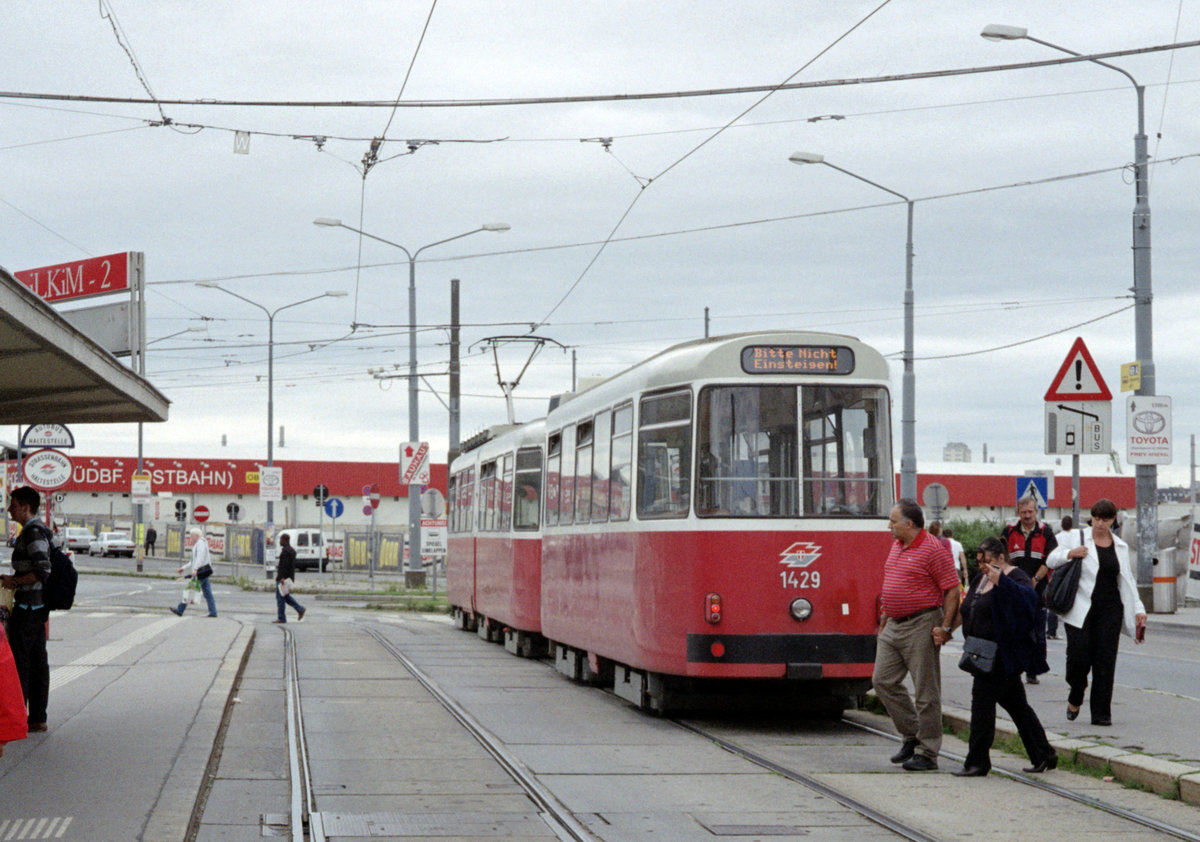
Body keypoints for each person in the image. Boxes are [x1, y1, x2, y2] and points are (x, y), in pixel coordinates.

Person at [950, 537, 1057, 776]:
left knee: (981, 706)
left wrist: (1002, 582)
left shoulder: (1015, 576)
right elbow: (966, 608)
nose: (983, 566)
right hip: (982, 652)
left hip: (1003, 655)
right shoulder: (980, 579)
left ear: (1001, 558)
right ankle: (1043, 753)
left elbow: (1029, 601)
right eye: (979, 562)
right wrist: (948, 629)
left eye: (987, 561)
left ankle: (977, 761)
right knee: (1017, 706)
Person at [873, 499, 961, 772]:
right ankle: (912, 735)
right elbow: (895, 581)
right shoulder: (897, 545)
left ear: (909, 524)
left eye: (893, 521)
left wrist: (945, 628)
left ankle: (928, 752)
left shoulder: (933, 549)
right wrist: (886, 614)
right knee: (882, 681)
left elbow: (952, 590)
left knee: (925, 691)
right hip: (894, 624)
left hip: (922, 623)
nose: (889, 526)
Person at [1046, 498, 1147, 726]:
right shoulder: (1075, 537)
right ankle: (1076, 692)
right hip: (1080, 609)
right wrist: (1070, 554)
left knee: (1105, 661)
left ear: (1113, 520)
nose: (1099, 523)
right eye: (1096, 518)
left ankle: (1101, 714)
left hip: (1110, 610)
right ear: (1091, 517)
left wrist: (1138, 609)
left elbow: (1127, 580)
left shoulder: (1120, 546)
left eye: (1105, 519)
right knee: (1078, 659)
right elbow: (1051, 560)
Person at [1, 487, 52, 733]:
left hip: (29, 606)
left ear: (25, 507)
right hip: (37, 605)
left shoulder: (33, 533)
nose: (10, 509)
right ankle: (36, 717)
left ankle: (19, 719)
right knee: (37, 661)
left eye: (14, 504)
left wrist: (15, 582)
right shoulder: (35, 531)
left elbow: (43, 569)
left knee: (22, 662)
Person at [1000, 496, 1057, 684]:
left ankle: (1033, 670)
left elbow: (1049, 560)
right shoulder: (1008, 532)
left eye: (1030, 512)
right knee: (1014, 631)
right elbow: (1002, 559)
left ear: (1036, 512)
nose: (1027, 516)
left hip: (1037, 591)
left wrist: (1034, 580)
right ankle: (1014, 668)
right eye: (1023, 512)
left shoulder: (1046, 532)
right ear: (1018, 512)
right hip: (1013, 591)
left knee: (1038, 634)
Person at [171, 527, 217, 617]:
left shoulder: (200, 544)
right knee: (207, 593)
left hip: (200, 572)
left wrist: (195, 569)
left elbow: (200, 558)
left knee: (190, 591)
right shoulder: (199, 544)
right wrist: (183, 568)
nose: (191, 538)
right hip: (203, 572)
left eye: (191, 536)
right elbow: (193, 560)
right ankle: (213, 611)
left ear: (196, 535)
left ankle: (180, 609)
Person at [1047, 516, 1075, 641]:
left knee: (1054, 598)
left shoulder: (1057, 537)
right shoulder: (1075, 538)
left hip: (1057, 570)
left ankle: (1051, 630)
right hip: (1071, 571)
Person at [273, 533, 306, 624]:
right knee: (286, 597)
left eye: (281, 540)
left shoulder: (285, 552)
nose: (280, 541)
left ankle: (281, 618)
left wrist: (282, 578)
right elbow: (290, 567)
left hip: (283, 579)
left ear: (285, 540)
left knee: (280, 599)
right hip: (289, 578)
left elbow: (284, 566)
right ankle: (300, 609)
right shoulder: (292, 551)